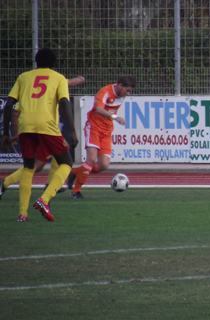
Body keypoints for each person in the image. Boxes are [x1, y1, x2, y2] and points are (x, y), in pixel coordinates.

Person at [1, 48, 78, 222]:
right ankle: (45, 199)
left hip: (25, 124)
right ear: (54, 63)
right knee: (66, 163)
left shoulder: (24, 77)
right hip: (46, 125)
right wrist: (72, 130)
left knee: (29, 168)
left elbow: (9, 105)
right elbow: (64, 102)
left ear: (36, 62)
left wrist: (6, 133)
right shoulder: (59, 78)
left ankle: (22, 213)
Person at [0, 76, 85, 200]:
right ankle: (8, 183)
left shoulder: (31, 92)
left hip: (39, 130)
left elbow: (15, 112)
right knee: (53, 159)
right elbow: (71, 84)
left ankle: (6, 183)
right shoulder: (54, 83)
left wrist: (15, 133)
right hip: (46, 131)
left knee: (38, 165)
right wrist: (80, 80)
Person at [67, 75, 136, 198]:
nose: (128, 94)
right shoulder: (105, 92)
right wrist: (116, 118)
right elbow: (99, 109)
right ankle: (76, 191)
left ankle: (75, 172)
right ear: (120, 86)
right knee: (91, 159)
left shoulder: (122, 94)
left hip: (107, 131)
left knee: (103, 165)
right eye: (127, 90)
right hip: (94, 127)